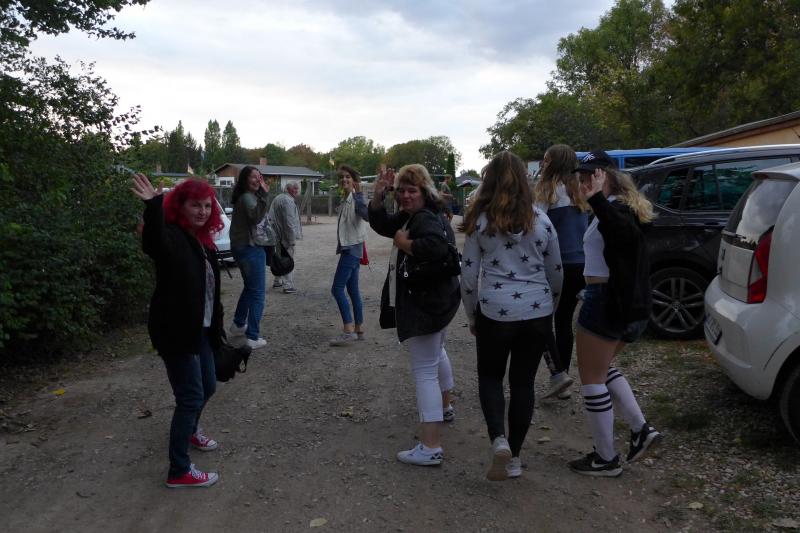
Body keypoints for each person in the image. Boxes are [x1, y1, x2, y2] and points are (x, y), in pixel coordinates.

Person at [460, 151, 563, 480]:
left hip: (495, 313)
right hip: (537, 312)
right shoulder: (542, 220)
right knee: (523, 383)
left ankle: (498, 439)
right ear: (524, 179)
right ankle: (515, 458)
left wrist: (472, 316)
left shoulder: (480, 222)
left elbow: (468, 277)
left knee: (490, 377)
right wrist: (550, 308)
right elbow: (556, 272)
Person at [569, 150, 663, 477]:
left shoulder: (617, 210)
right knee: (603, 368)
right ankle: (640, 429)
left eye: (591, 176)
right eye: (582, 178)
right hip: (615, 300)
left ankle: (605, 458)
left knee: (592, 379)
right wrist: (597, 201)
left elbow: (620, 235)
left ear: (607, 175)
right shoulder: (614, 207)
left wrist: (597, 199)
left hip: (605, 301)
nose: (584, 182)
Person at [131, 174, 223, 488]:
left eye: (207, 206)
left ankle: (191, 430)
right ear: (180, 207)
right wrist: (153, 206)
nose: (202, 211)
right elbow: (154, 243)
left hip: (201, 330)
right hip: (175, 331)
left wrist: (217, 329)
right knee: (190, 396)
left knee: (208, 386)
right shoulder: (172, 236)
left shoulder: (203, 242)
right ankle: (179, 470)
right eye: (195, 205)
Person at [369, 164, 461, 466]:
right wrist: (379, 196)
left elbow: (434, 247)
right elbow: (384, 225)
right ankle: (445, 407)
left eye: (412, 190)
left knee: (424, 371)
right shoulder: (419, 213)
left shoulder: (423, 217)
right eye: (402, 191)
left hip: (427, 304)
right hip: (440, 301)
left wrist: (404, 244)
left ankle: (431, 446)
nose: (406, 196)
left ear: (424, 191)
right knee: (437, 354)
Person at [532, 144, 589, 399]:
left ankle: (558, 375)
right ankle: (562, 374)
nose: (543, 164)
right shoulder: (580, 189)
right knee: (564, 320)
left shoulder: (548, 190)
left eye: (546, 160)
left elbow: (536, 225)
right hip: (582, 265)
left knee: (542, 319)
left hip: (558, 264)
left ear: (553, 163)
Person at [229, 165, 270, 349]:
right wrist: (265, 195)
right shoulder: (247, 197)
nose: (257, 180)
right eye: (254, 177)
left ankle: (238, 324)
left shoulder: (248, 196)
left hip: (242, 247)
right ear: (245, 179)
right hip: (250, 248)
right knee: (258, 292)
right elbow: (256, 217)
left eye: (259, 177)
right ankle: (253, 336)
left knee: (250, 287)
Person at [329, 165, 369, 346]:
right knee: (353, 290)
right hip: (351, 248)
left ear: (354, 180)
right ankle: (359, 327)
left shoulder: (356, 198)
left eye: (348, 177)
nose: (344, 179)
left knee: (337, 289)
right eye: (342, 177)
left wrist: (359, 195)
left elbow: (366, 215)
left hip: (351, 249)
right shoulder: (346, 198)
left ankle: (348, 329)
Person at [269, 181, 303, 294]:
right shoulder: (288, 201)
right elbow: (289, 222)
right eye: (294, 188)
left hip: (276, 234)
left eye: (297, 188)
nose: (296, 190)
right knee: (287, 259)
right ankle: (288, 285)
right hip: (284, 236)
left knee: (279, 257)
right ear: (288, 189)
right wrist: (291, 239)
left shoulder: (278, 197)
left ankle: (277, 281)